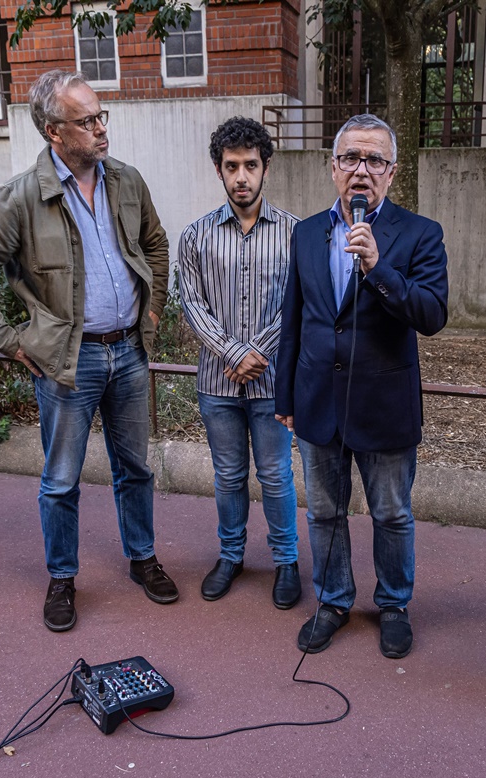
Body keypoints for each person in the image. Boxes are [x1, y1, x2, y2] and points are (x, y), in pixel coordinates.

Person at [0, 69, 178, 633]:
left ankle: (142, 559)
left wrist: (152, 308)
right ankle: (62, 577)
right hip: (67, 363)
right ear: (55, 132)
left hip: (127, 352)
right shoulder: (22, 198)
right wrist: (7, 340)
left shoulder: (125, 180)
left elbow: (155, 243)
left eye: (102, 116)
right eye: (87, 120)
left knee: (135, 470)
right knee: (61, 479)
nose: (101, 129)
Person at [275, 114, 449, 659]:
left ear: (391, 173)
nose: (361, 170)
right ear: (333, 167)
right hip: (317, 402)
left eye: (374, 160)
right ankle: (332, 600)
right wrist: (285, 398)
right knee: (324, 512)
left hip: (385, 403)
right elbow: (294, 320)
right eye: (350, 158)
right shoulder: (306, 233)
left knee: (391, 513)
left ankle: (394, 603)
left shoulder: (421, 234)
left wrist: (379, 268)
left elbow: (433, 315)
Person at [177, 117, 301, 609]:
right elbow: (191, 302)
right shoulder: (196, 237)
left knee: (275, 475)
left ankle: (286, 561)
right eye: (232, 167)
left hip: (273, 383)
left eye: (251, 165)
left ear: (265, 168)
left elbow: (299, 301)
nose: (242, 176)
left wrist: (259, 353)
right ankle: (230, 556)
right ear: (218, 170)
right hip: (218, 384)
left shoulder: (295, 233)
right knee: (228, 476)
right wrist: (232, 352)